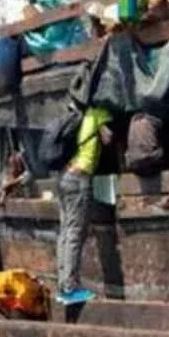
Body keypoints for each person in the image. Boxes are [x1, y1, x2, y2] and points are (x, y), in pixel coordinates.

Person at [55, 106, 113, 305]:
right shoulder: (97, 112)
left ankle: (63, 286)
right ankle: (70, 289)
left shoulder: (74, 114)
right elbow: (108, 139)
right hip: (79, 178)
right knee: (74, 233)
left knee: (65, 232)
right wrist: (106, 124)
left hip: (64, 177)